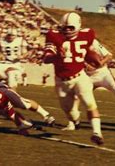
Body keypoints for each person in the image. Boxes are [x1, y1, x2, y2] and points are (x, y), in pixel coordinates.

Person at [43, 12, 104, 145]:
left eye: (71, 27)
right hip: (61, 81)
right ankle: (76, 121)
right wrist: (57, 56)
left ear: (78, 26)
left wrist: (95, 61)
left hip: (80, 76)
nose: (67, 30)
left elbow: (87, 51)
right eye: (65, 27)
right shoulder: (54, 35)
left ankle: (97, 133)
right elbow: (46, 58)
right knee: (71, 113)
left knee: (90, 104)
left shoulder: (87, 34)